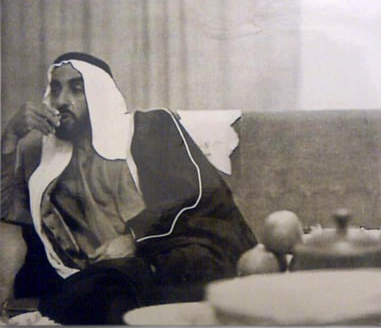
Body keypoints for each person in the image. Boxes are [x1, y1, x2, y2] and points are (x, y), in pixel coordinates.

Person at [1, 52, 257, 324]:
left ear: (100, 95)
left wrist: (133, 238)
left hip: (160, 258)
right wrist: (9, 138)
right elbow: (6, 211)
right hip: (91, 277)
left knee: (183, 267)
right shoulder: (42, 161)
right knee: (100, 290)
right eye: (55, 89)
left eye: (77, 88)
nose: (62, 100)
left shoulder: (150, 128)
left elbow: (195, 194)